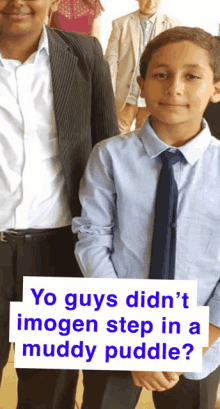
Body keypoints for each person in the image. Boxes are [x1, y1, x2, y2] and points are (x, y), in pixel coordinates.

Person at [73, 26, 220, 409]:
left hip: (200, 346)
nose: (174, 88)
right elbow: (92, 238)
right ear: (141, 83)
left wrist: (194, 340)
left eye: (192, 76)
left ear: (216, 88)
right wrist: (133, 340)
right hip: (118, 332)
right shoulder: (109, 157)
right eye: (161, 74)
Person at [0, 0, 119, 407]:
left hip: (58, 258)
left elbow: (108, 152)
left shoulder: (84, 54)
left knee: (49, 394)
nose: (17, 2)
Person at [105, 0, 181, 134]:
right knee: (117, 137)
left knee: (146, 138)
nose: (151, 2)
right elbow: (111, 61)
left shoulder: (173, 25)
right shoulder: (121, 23)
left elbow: (175, 62)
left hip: (153, 95)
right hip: (125, 95)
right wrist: (109, 92)